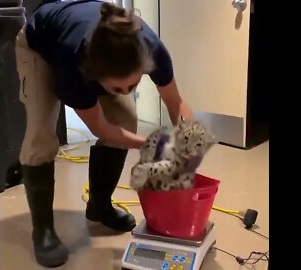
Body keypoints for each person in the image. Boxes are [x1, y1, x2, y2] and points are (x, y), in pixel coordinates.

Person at [15, 0, 193, 267]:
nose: (126, 92)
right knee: (41, 137)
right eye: (117, 88)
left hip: (77, 38)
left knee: (126, 117)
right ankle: (43, 231)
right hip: (39, 44)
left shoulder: (151, 49)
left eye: (132, 85)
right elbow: (103, 130)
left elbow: (176, 103)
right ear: (94, 76)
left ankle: (99, 206)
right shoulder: (72, 64)